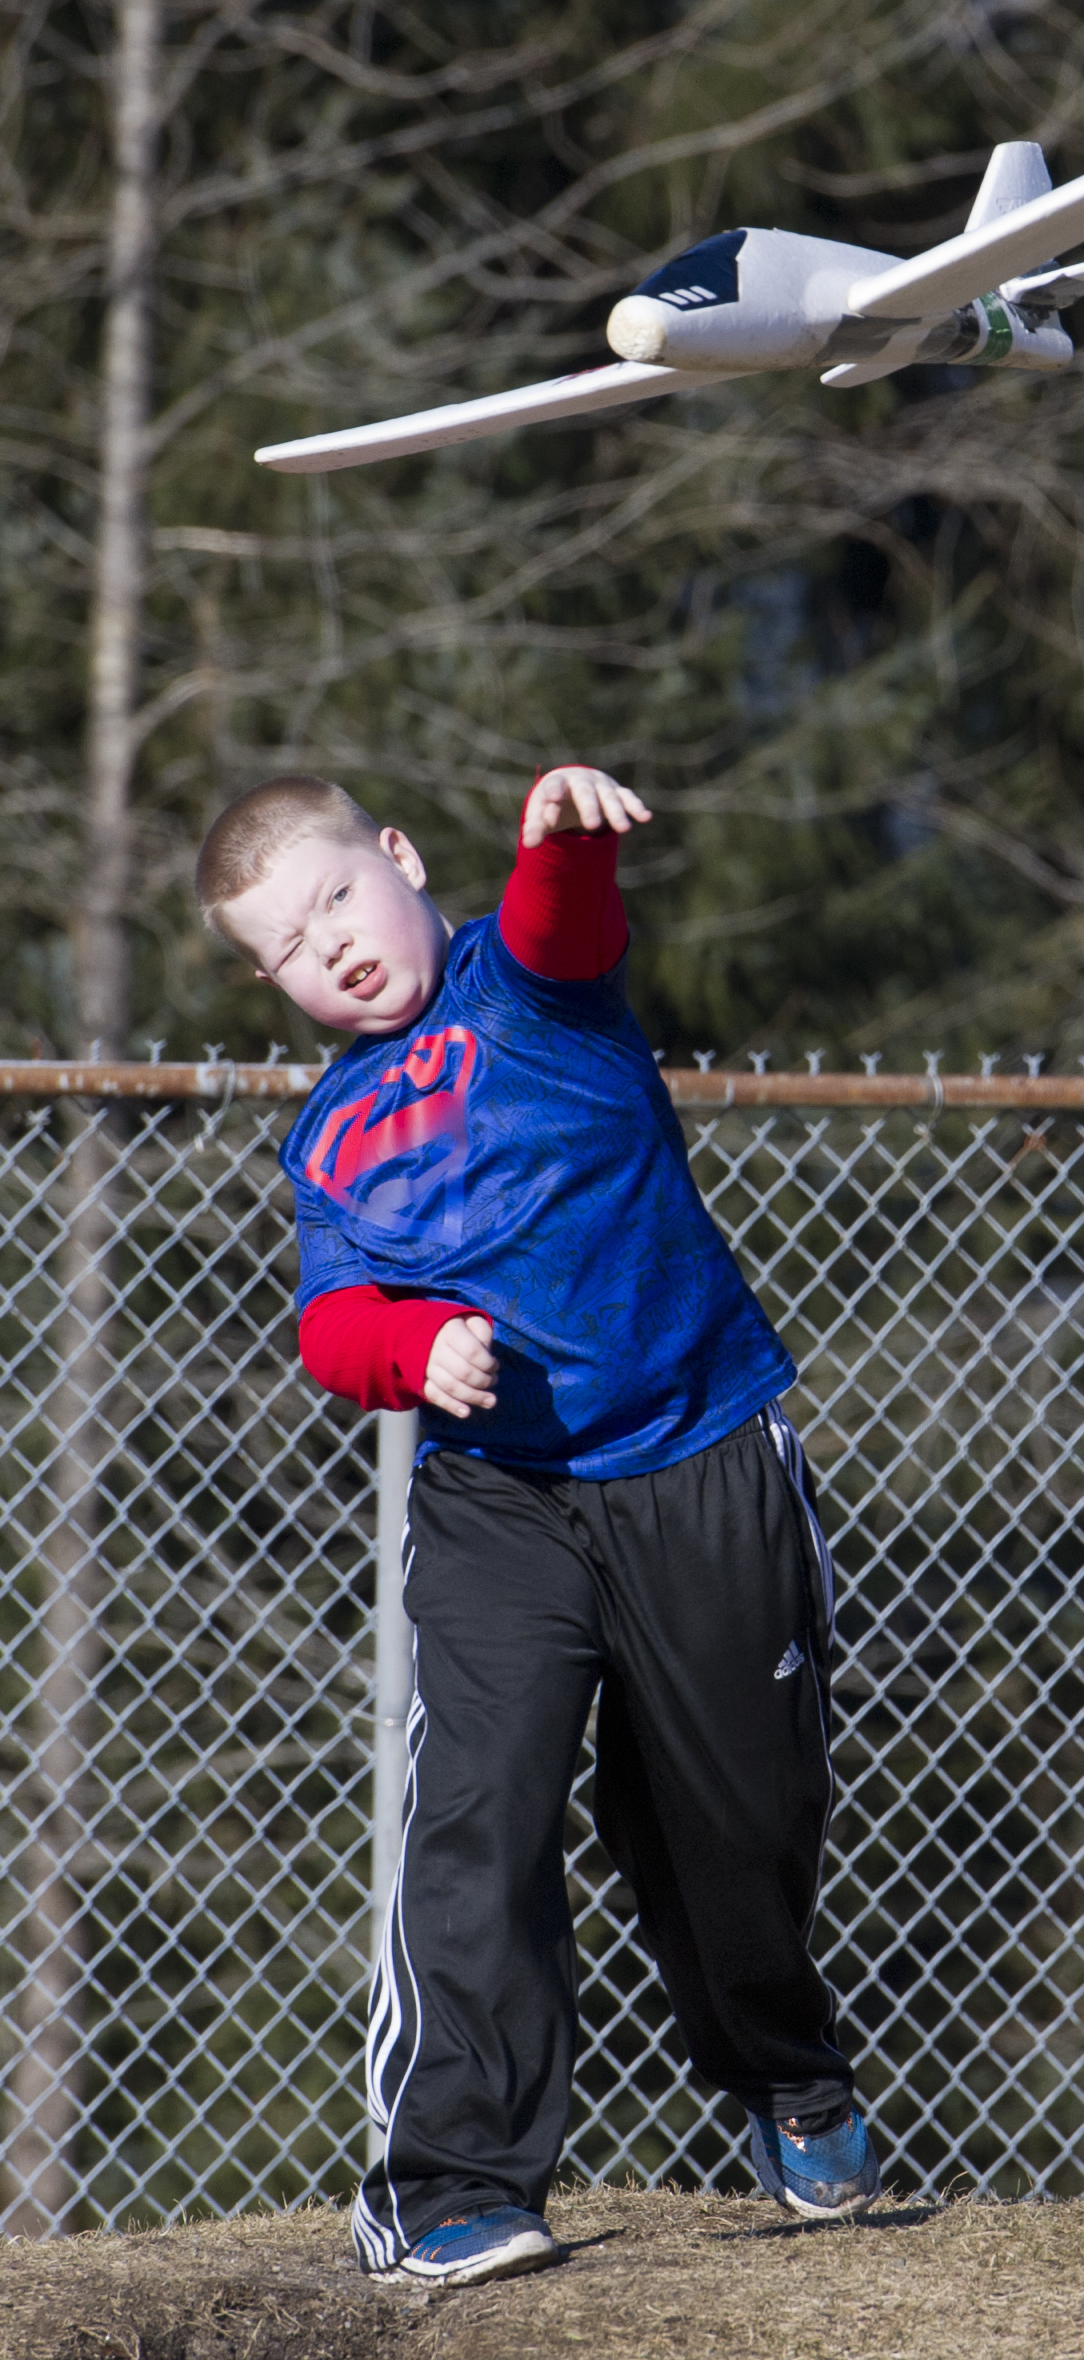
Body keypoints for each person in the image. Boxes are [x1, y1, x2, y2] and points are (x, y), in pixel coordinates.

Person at [194, 762, 877, 2287]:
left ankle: (786, 2076)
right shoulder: (330, 1139)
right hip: (500, 1503)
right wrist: (404, 1350)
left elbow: (565, 932)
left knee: (733, 1824)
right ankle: (450, 2185)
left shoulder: (525, 986)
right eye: (296, 948)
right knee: (479, 1815)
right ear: (272, 982)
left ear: (397, 857)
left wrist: (559, 849)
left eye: (340, 901)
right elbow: (330, 1326)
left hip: (700, 1455)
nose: (338, 947)